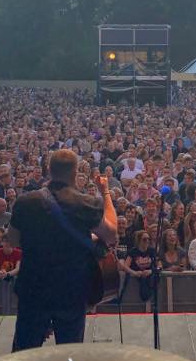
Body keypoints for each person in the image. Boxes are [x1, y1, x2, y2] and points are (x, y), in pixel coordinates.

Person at [8, 149, 117, 350]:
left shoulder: (25, 202)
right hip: (71, 291)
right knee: (69, 353)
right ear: (75, 172)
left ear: (49, 170)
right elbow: (111, 235)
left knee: (24, 354)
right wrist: (105, 192)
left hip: (34, 289)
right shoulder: (86, 203)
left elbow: (13, 240)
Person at [121, 229, 155, 302]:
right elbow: (125, 266)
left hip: (149, 274)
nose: (147, 241)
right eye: (144, 239)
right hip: (137, 274)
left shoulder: (152, 251)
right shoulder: (133, 251)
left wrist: (151, 271)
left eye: (148, 239)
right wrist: (134, 273)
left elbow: (159, 265)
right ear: (139, 240)